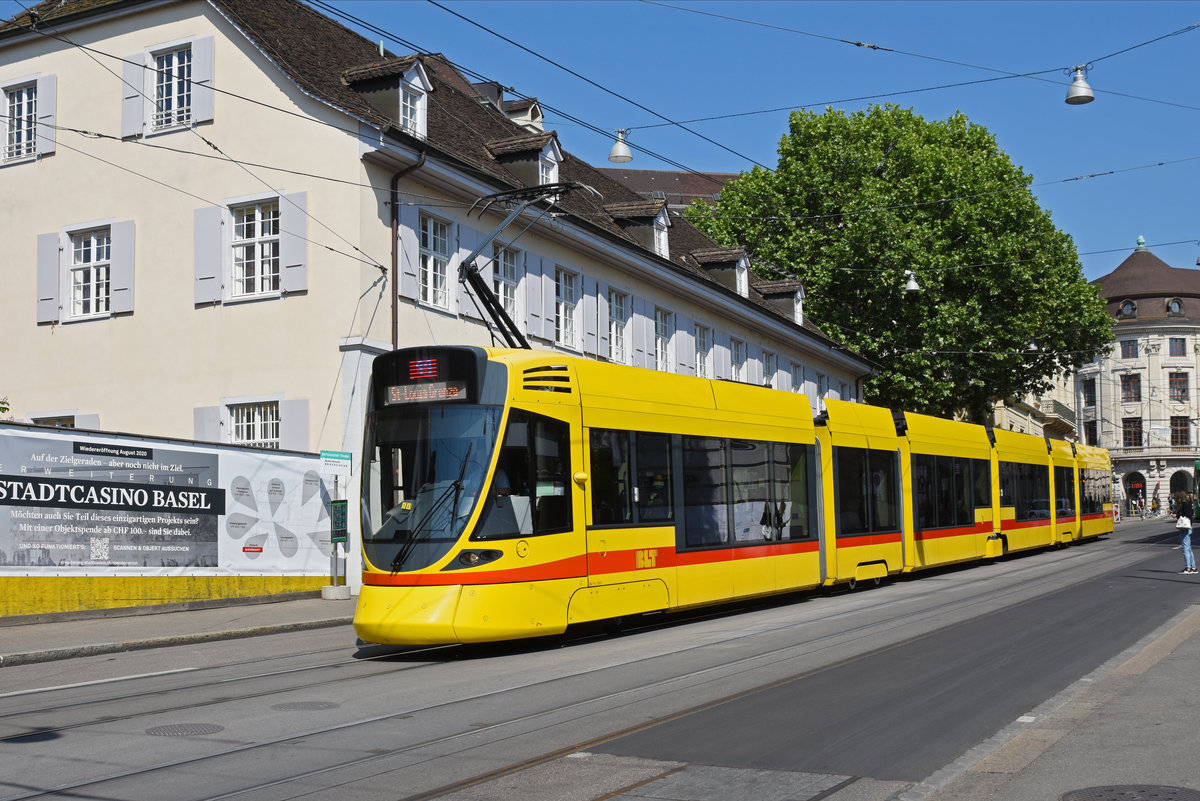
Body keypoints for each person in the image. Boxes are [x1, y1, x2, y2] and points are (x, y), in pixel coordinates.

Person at [1176, 494, 1197, 575]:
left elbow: (1181, 515)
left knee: (1185, 548)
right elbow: (1190, 515)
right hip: (1189, 527)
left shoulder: (1184, 505)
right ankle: (1193, 567)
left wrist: (1177, 515)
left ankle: (1188, 568)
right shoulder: (1191, 504)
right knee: (1189, 548)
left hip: (1184, 528)